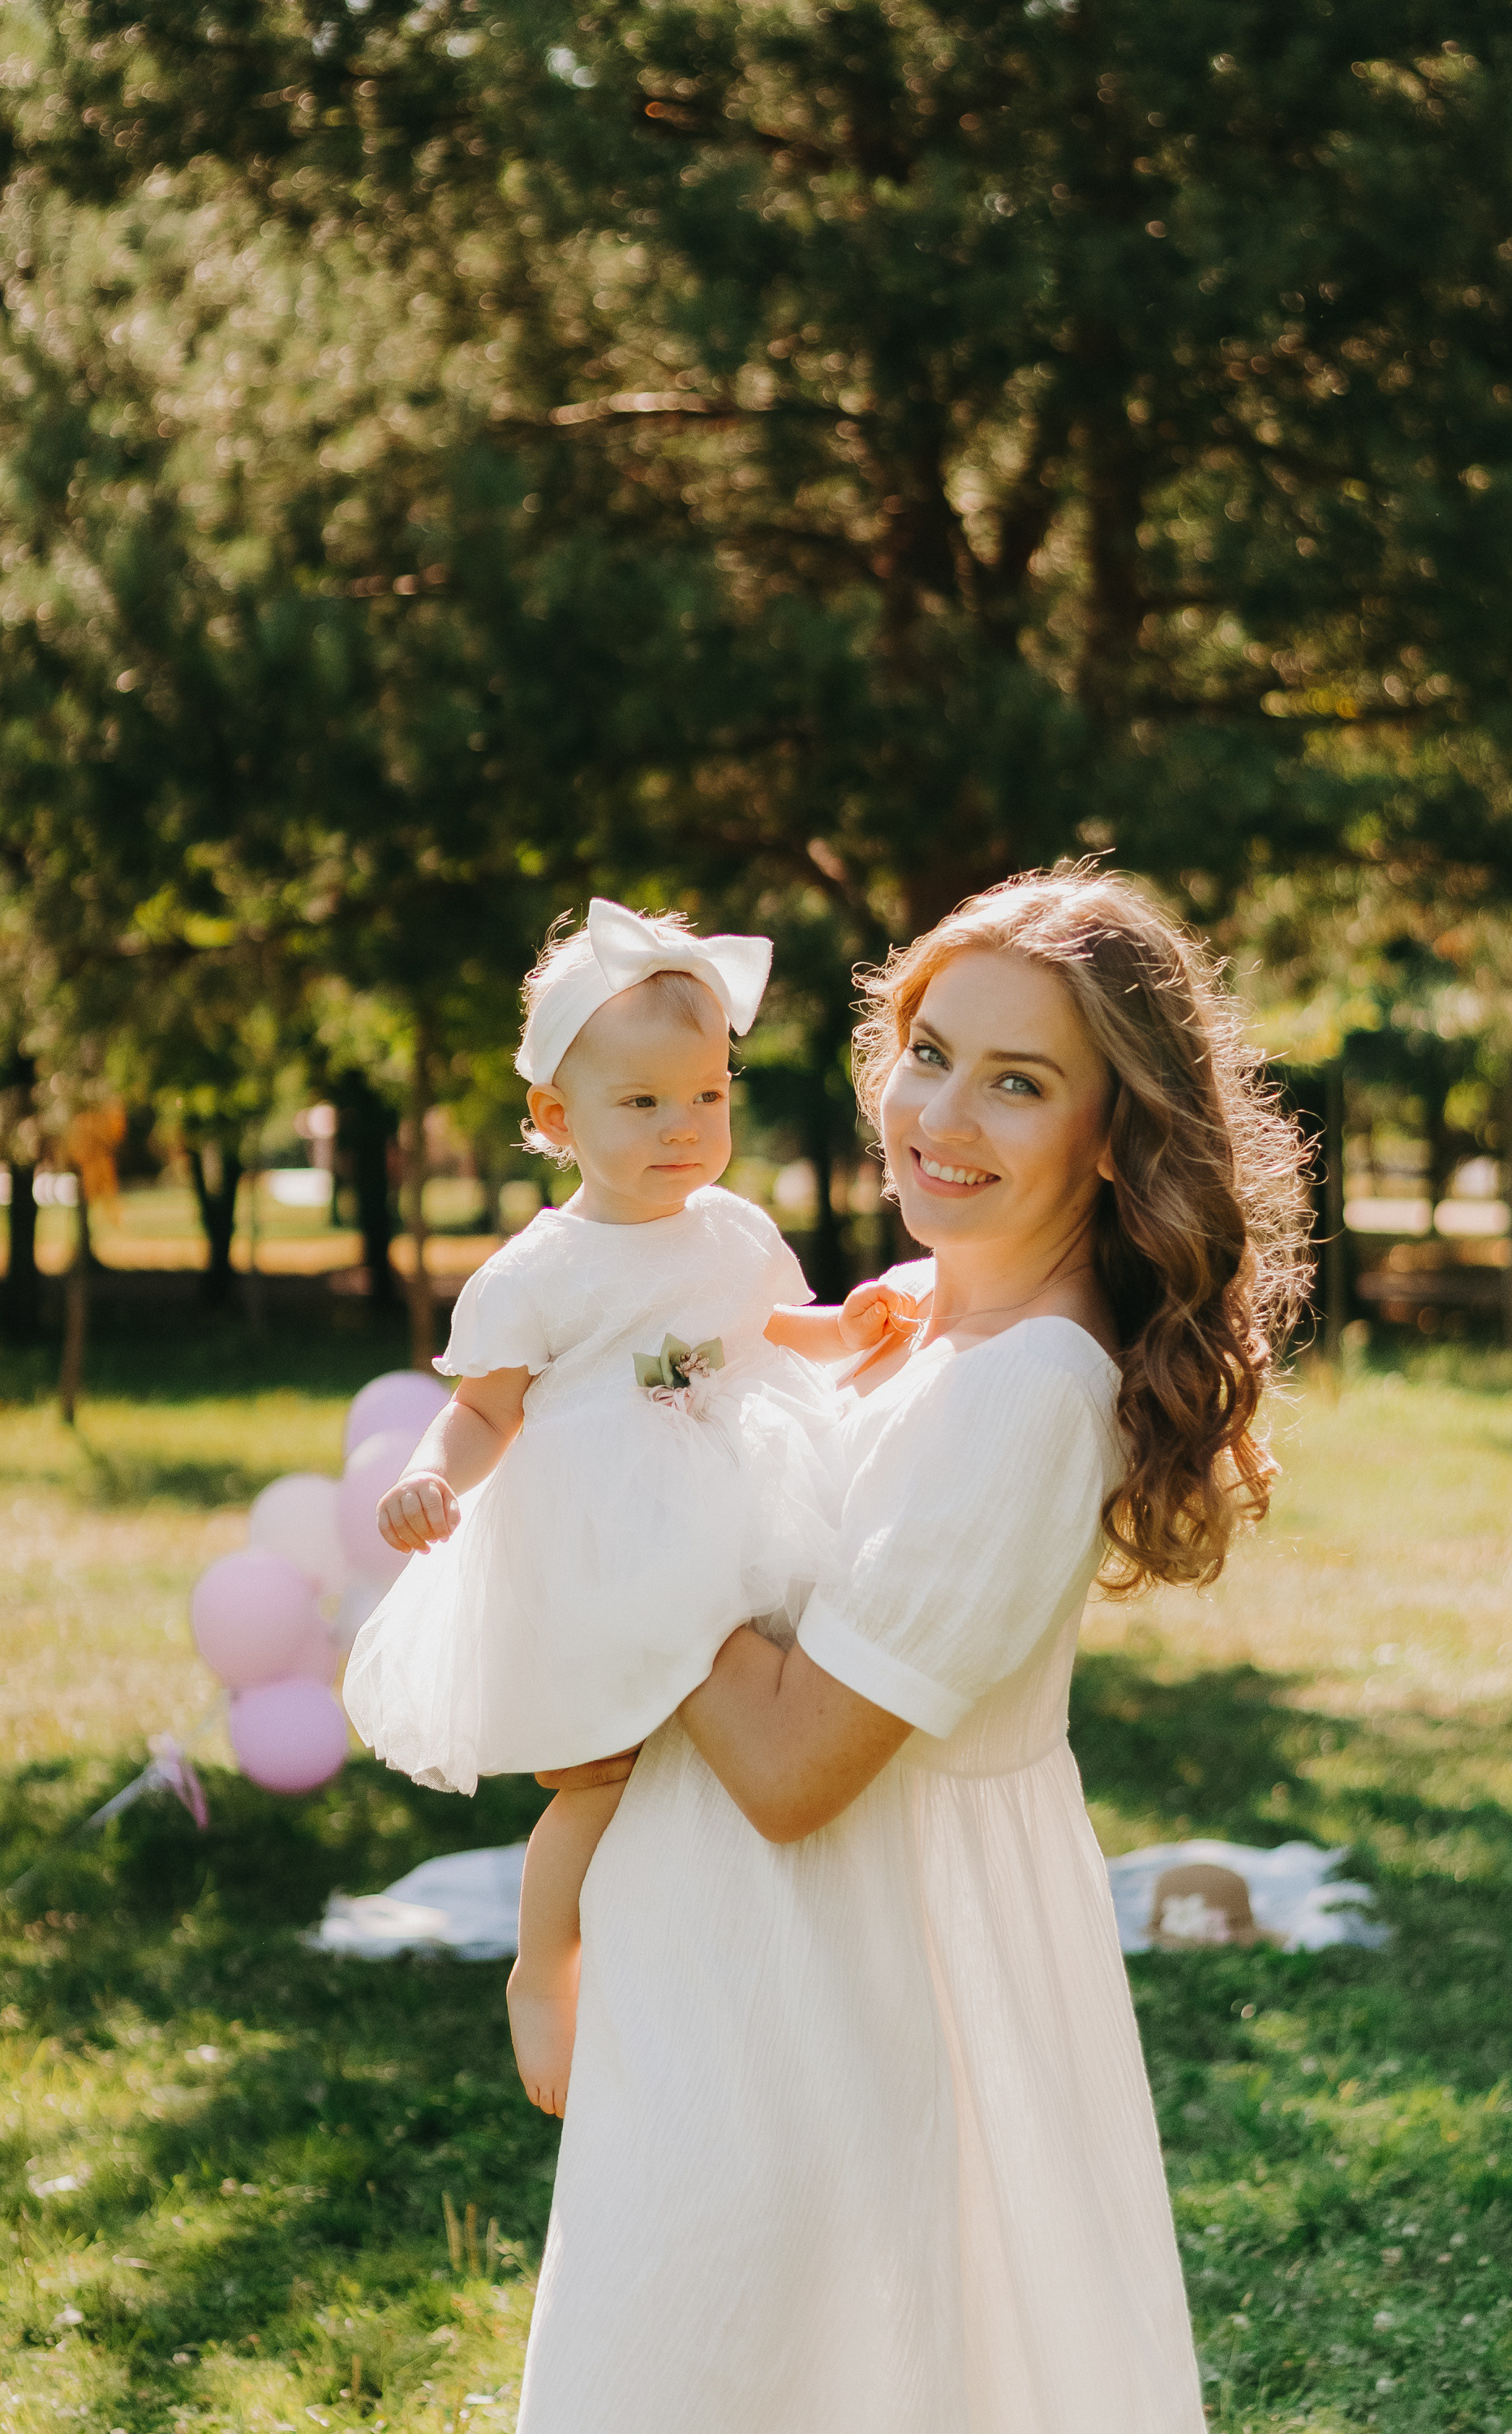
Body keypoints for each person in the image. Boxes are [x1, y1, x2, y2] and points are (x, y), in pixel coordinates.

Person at [515, 867, 1308, 2434]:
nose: (940, 1113)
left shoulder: (1026, 1398)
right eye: (930, 1051)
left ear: (1116, 1131)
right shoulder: (918, 1315)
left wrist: (604, 1471)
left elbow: (799, 1766)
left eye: (1019, 1082)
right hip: (733, 1965)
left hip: (846, 1989)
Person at [342, 897, 913, 2113]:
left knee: (746, 1725)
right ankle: (546, 1973)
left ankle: (739, 1953)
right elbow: (488, 1410)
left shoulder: (733, 1228)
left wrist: (841, 1328)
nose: (682, 1130)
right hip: (604, 1534)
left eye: (706, 1096)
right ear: (557, 1118)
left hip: (743, 1498)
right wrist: (429, 1473)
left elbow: (764, 1331)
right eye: (642, 1103)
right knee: (600, 1773)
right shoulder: (539, 1272)